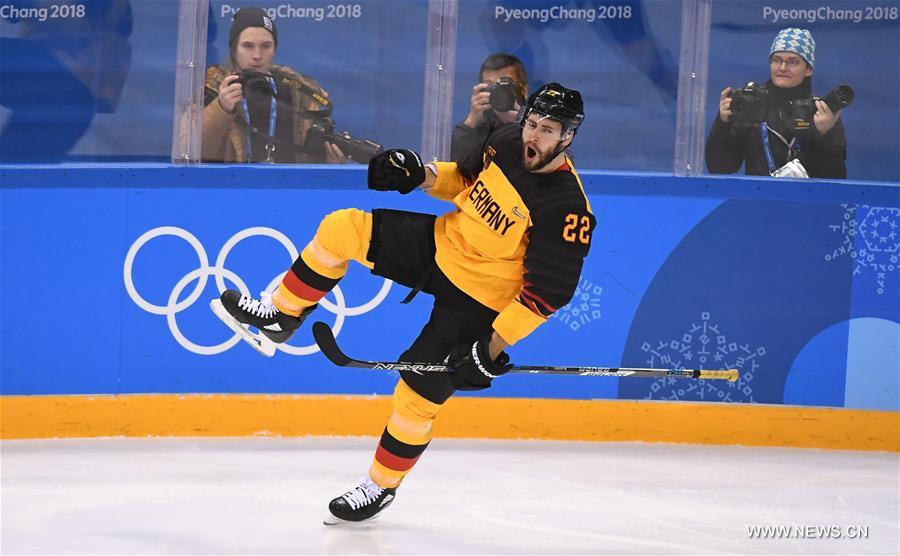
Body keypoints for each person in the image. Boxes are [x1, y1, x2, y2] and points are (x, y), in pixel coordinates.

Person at [212, 83, 594, 524]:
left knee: (416, 394)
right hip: (441, 246)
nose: (533, 136)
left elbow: (546, 296)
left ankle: (379, 486)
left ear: (567, 137)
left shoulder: (568, 209)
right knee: (342, 229)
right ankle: (281, 315)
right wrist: (420, 174)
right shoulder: (507, 141)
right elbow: (466, 181)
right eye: (531, 123)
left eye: (547, 130)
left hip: (480, 299)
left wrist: (488, 349)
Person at [202, 7, 347, 163]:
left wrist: (330, 162)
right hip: (233, 184)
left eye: (265, 46)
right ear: (234, 51)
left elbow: (312, 158)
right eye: (248, 46)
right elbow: (195, 150)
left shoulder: (297, 92)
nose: (257, 55)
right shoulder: (213, 90)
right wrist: (222, 108)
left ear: (274, 50)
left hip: (289, 184)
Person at [705, 28, 847, 179]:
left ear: (809, 69)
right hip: (757, 198)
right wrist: (722, 124)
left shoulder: (820, 112)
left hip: (804, 199)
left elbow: (836, 178)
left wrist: (824, 136)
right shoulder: (750, 104)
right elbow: (719, 167)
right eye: (776, 60)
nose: (782, 68)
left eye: (792, 62)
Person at [450, 53, 528, 161]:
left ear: (524, 90)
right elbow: (458, 167)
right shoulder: (479, 129)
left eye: (505, 84)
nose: (499, 91)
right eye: (492, 86)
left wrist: (524, 124)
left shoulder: (538, 125)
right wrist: (471, 120)